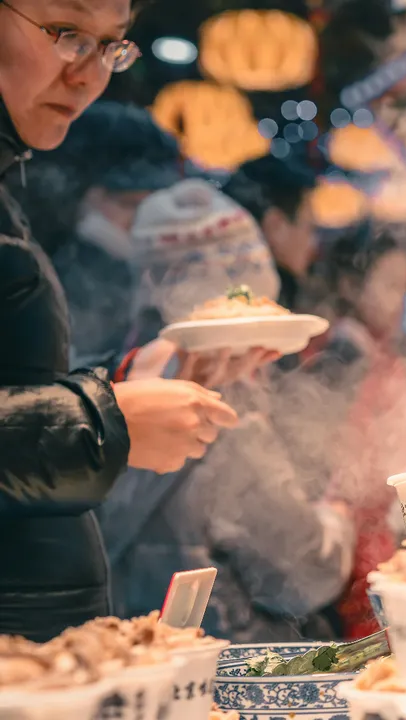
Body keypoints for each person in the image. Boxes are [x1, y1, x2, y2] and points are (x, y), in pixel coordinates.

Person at [0, 0, 239, 641]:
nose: (88, 73)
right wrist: (107, 420)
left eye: (110, 46)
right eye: (67, 33)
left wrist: (133, 379)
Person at [97, 179, 354, 642]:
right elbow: (303, 579)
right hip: (236, 671)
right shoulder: (222, 408)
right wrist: (338, 517)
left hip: (139, 652)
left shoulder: (113, 386)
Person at [297, 224, 406, 640]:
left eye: (405, 287)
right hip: (348, 551)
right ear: (349, 285)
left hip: (376, 540)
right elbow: (328, 466)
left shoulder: (378, 352)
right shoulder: (339, 358)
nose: (400, 302)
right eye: (389, 285)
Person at [11, 100, 183, 366]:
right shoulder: (24, 273)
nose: (140, 221)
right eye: (128, 204)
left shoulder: (147, 270)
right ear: (71, 197)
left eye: (152, 205)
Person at [220, 155, 319, 312]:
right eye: (309, 228)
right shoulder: (256, 304)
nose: (314, 243)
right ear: (276, 225)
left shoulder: (221, 290)